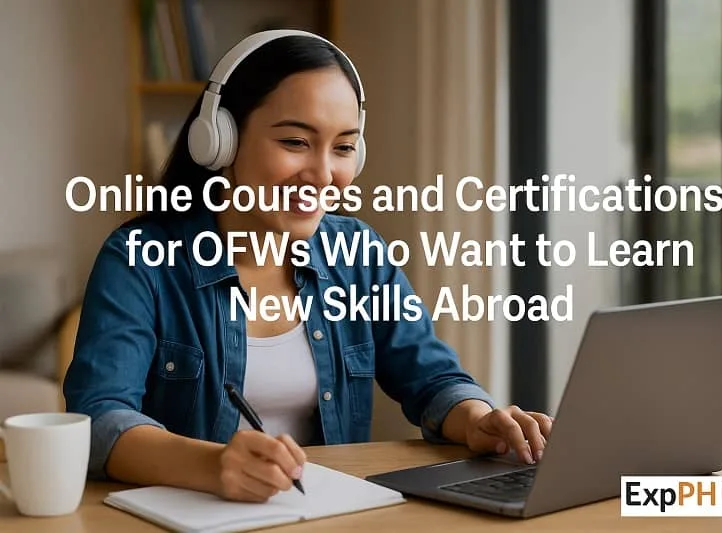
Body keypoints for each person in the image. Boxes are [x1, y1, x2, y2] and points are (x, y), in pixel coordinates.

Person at [63, 30, 552, 503]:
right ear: (220, 140)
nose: (322, 175)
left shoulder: (357, 252)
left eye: (343, 147)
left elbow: (432, 378)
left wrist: (478, 418)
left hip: (327, 514)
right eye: (296, 142)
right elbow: (100, 418)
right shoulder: (139, 258)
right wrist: (212, 466)